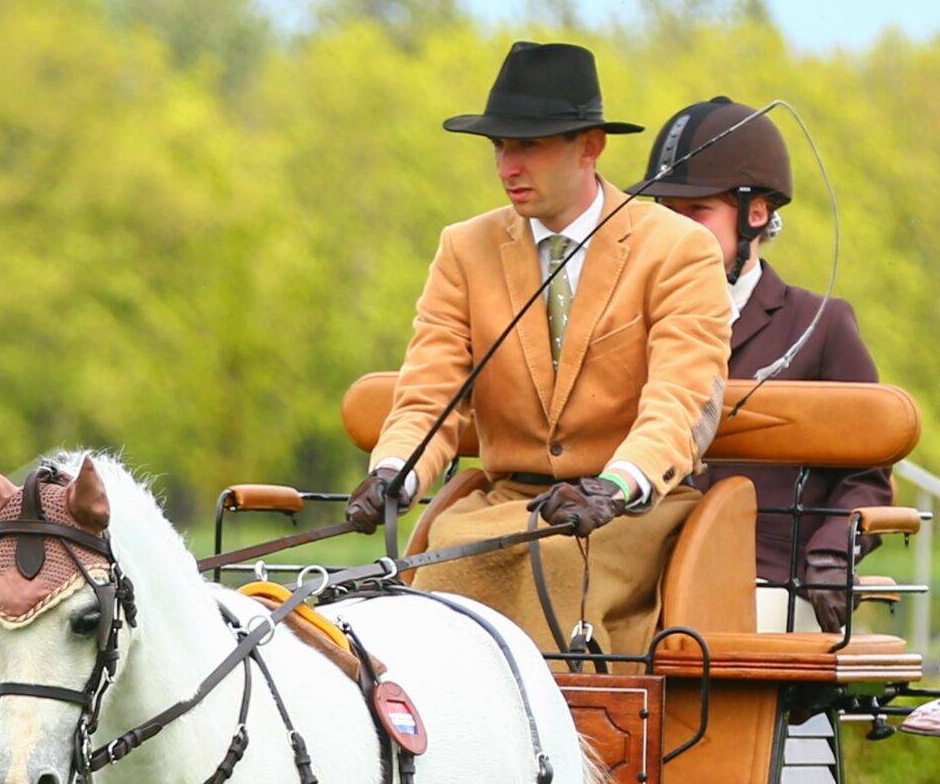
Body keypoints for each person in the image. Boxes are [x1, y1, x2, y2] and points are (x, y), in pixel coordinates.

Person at [346, 41, 731, 656]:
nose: (507, 167)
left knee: (557, 562)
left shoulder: (677, 249)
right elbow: (430, 391)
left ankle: (574, 714)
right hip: (503, 504)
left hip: (626, 515)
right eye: (500, 146)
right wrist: (395, 472)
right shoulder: (464, 248)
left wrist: (617, 485)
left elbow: (681, 399)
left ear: (590, 146)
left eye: (528, 145)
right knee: (446, 560)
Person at [643, 96, 886, 632]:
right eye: (667, 213)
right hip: (640, 570)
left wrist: (834, 549)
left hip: (765, 577)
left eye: (697, 213)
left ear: (755, 214)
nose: (677, 232)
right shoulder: (628, 322)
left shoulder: (819, 324)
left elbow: (867, 475)